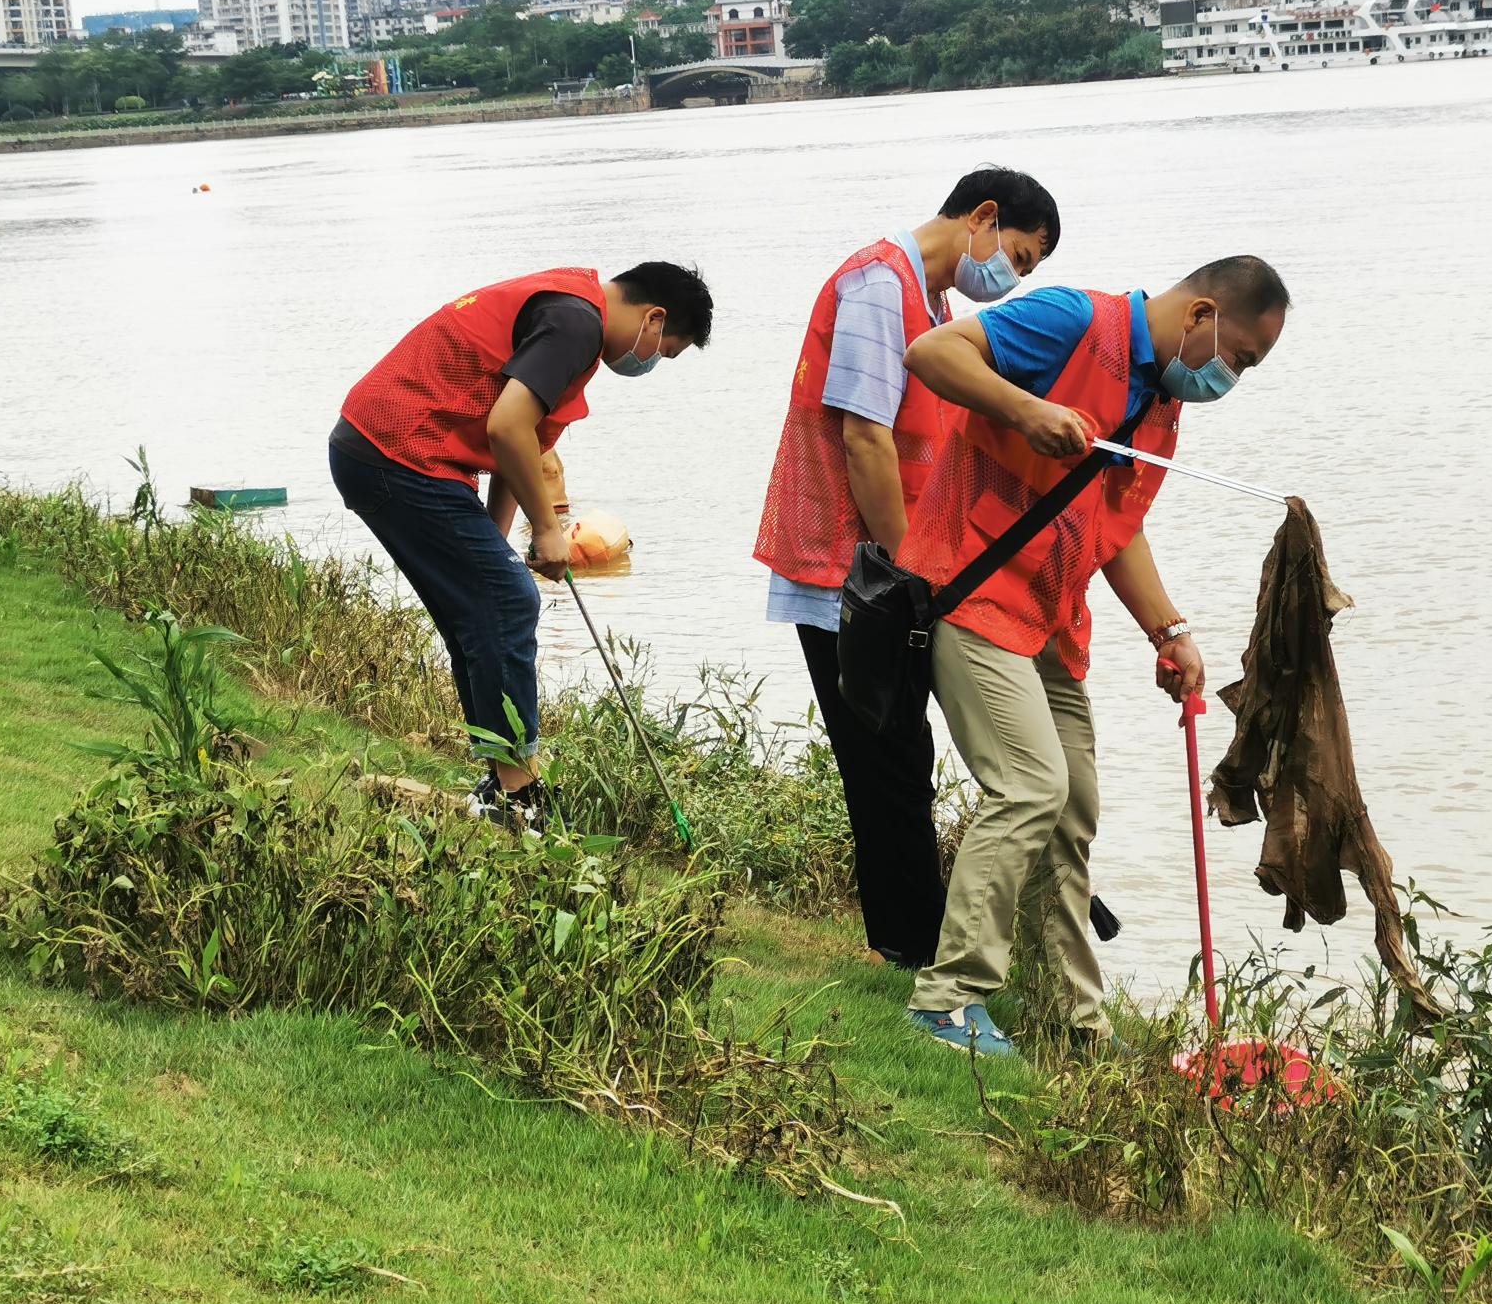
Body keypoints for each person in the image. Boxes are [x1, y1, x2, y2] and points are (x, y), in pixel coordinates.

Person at [893, 256, 1291, 1055]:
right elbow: (932, 354)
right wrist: (1028, 409)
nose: (1231, 378)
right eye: (1239, 358)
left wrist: (1168, 631)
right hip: (966, 592)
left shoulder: (1161, 405)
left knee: (1071, 811)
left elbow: (1115, 525)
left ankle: (1075, 1019)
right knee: (1030, 787)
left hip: (1046, 621)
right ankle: (945, 1001)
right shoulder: (1073, 323)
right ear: (1201, 315)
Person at [754, 168, 1062, 969]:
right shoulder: (875, 286)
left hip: (888, 573)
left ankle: (915, 938)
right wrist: (910, 573)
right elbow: (865, 437)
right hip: (853, 576)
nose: (1012, 279)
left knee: (901, 756)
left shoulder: (935, 308)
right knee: (885, 763)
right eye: (1019, 258)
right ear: (982, 219)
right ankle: (911, 948)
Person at [329, 263, 714, 826]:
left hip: (386, 451)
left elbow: (522, 445)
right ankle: (517, 793)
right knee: (508, 602)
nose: (649, 361)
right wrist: (550, 530)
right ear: (653, 318)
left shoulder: (573, 314)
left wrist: (498, 538)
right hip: (396, 450)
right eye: (664, 349)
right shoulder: (576, 324)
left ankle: (501, 783)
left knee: (485, 607)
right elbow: (506, 427)